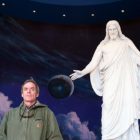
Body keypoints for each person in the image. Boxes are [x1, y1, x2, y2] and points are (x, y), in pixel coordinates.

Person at [70, 20, 140, 140]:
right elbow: (94, 63)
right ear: (107, 31)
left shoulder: (126, 42)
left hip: (125, 82)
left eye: (114, 29)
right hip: (110, 81)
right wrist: (82, 72)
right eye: (110, 29)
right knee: (108, 107)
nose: (112, 31)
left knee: (126, 106)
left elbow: (138, 56)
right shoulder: (103, 45)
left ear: (118, 30)